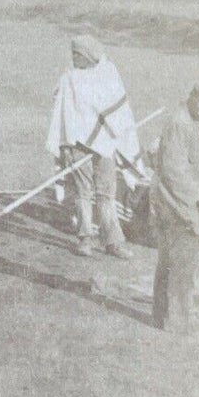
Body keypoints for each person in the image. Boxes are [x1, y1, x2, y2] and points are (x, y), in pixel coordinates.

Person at [46, 34, 140, 259]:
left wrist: (114, 136)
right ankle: (85, 238)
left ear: (88, 55)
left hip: (105, 144)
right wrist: (65, 146)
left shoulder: (108, 73)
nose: (74, 58)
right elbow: (61, 113)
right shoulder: (69, 79)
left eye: (77, 54)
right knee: (82, 192)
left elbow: (118, 110)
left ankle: (113, 241)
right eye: (73, 54)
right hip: (78, 144)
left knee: (107, 193)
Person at [150, 77, 199, 333]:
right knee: (179, 263)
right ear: (193, 95)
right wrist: (197, 197)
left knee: (173, 262)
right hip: (174, 205)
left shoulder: (196, 123)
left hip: (185, 203)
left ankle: (163, 317)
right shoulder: (179, 123)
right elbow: (173, 170)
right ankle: (176, 321)